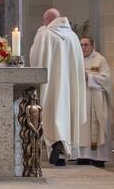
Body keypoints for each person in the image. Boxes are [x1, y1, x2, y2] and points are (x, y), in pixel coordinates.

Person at [29, 9, 86, 167]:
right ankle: (63, 150)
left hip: (52, 82)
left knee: (51, 113)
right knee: (66, 114)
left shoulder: (46, 34)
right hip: (70, 84)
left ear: (47, 19)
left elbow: (35, 57)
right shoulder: (73, 36)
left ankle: (55, 144)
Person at [77, 36, 114, 167]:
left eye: (86, 45)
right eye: (81, 45)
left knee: (97, 125)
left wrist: (90, 77)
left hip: (96, 97)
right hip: (81, 99)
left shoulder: (100, 59)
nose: (83, 48)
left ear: (92, 46)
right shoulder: (76, 59)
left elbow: (107, 79)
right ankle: (82, 156)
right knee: (82, 127)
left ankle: (99, 156)